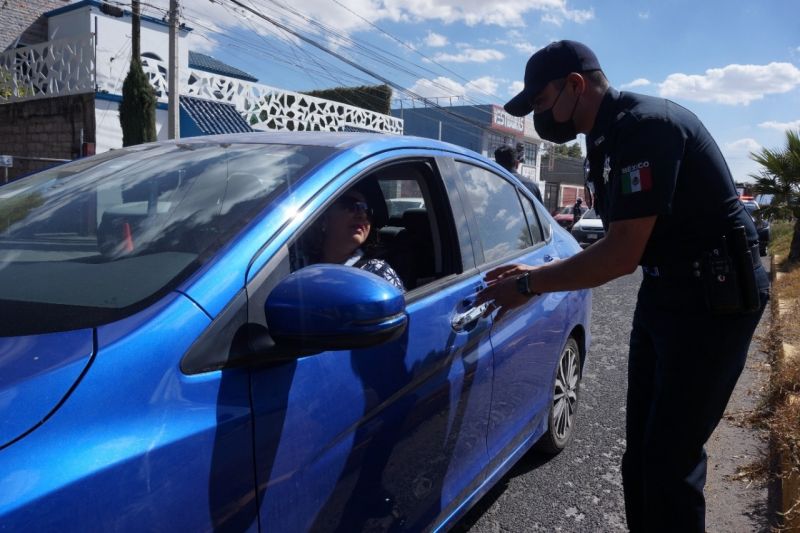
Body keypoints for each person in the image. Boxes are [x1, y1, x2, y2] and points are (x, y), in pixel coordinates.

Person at [478, 40, 769, 532]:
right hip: (664, 293)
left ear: (575, 84)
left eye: (543, 103)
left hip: (715, 301)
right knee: (640, 459)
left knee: (670, 463)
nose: (540, 118)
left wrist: (531, 286)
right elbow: (618, 239)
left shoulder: (646, 126)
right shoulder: (603, 136)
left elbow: (619, 255)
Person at [304, 183, 405, 291]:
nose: (362, 215)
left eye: (367, 210)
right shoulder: (297, 262)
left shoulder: (377, 274)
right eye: (350, 205)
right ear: (324, 218)